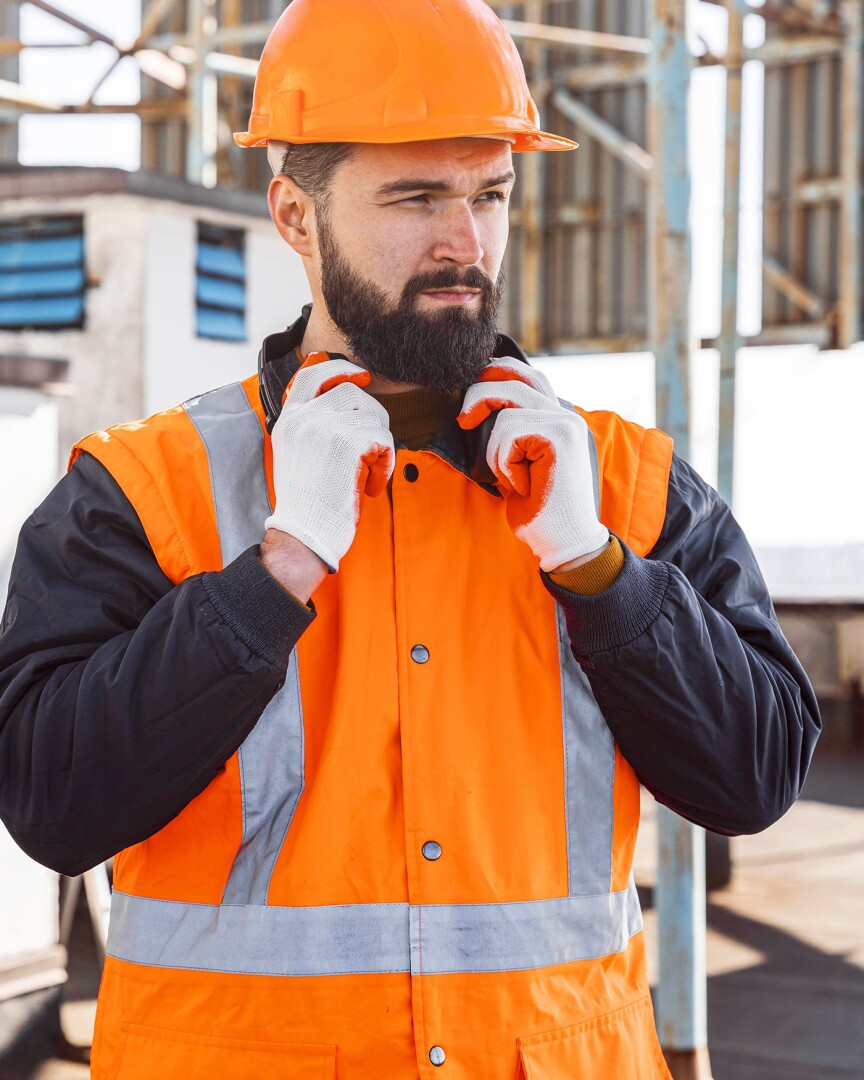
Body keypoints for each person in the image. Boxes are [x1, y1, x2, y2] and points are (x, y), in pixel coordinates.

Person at [0, 1, 819, 1077]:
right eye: (416, 197)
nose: (465, 243)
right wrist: (278, 569)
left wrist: (601, 571)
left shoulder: (625, 486)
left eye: (491, 194)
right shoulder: (144, 490)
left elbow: (755, 779)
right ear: (296, 216)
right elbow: (53, 804)